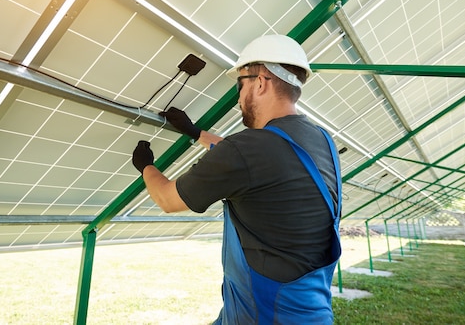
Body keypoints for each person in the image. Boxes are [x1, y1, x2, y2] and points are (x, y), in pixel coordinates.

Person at [132, 34, 342, 324]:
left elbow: (167, 199)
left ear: (261, 82)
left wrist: (146, 166)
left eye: (240, 85)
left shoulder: (247, 150)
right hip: (306, 311)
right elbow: (256, 163)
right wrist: (196, 133)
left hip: (263, 316)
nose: (238, 97)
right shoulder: (322, 141)